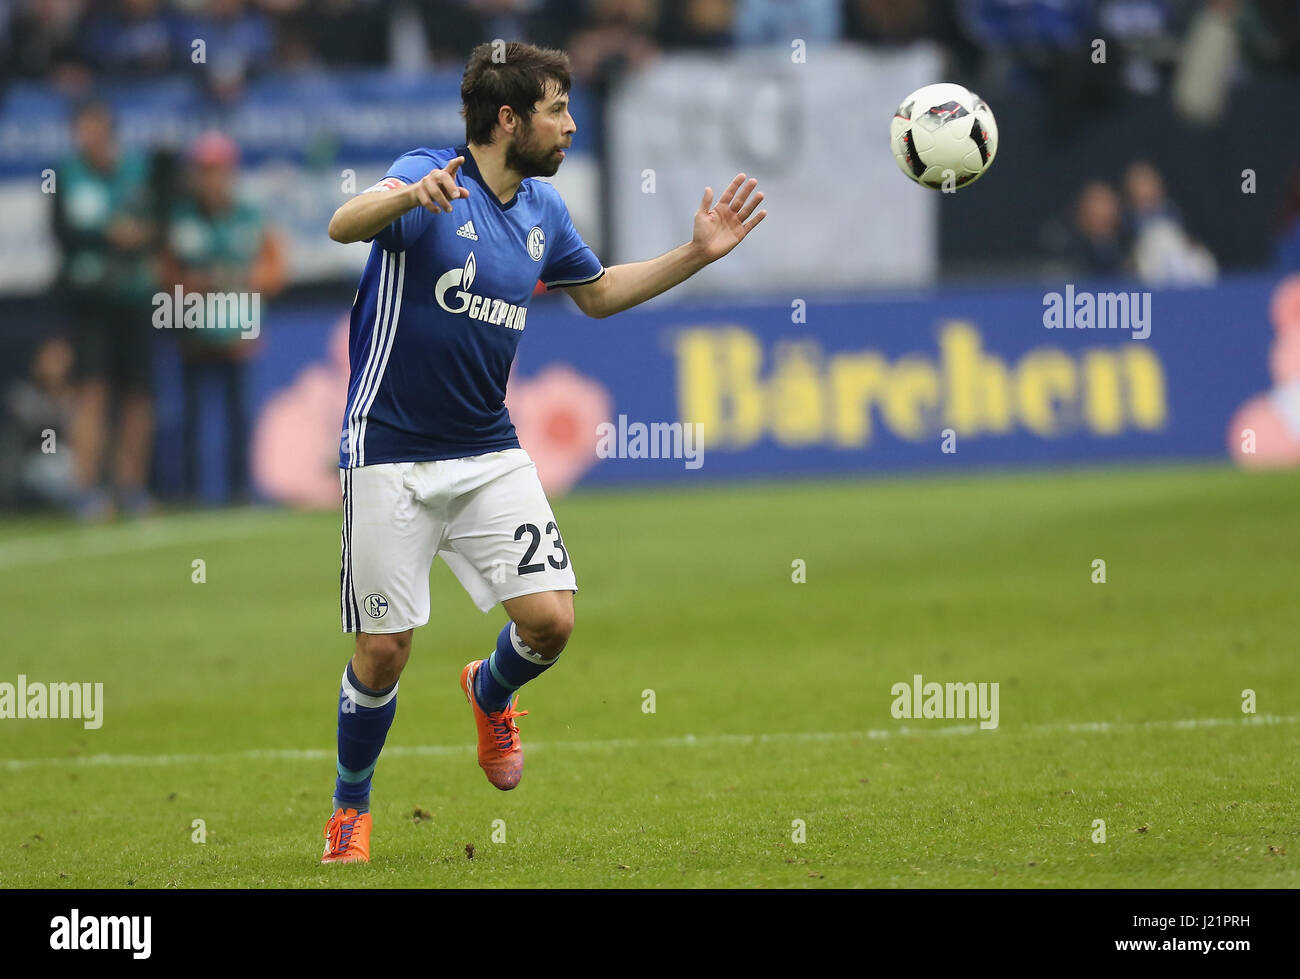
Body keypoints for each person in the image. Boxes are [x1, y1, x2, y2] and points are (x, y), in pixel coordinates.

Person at [321, 40, 766, 864]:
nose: (569, 126)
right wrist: (403, 199)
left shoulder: (542, 212)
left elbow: (596, 296)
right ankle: (351, 808)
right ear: (507, 118)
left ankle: (489, 692)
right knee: (383, 651)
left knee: (552, 621)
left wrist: (697, 254)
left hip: (487, 449)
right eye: (556, 110)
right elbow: (344, 224)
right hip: (388, 451)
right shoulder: (431, 171)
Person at [160, 131, 286, 504]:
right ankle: (189, 492)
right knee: (190, 418)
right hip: (194, 333)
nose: (212, 179)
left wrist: (242, 280)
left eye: (219, 170)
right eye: (205, 171)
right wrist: (196, 285)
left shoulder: (250, 216)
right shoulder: (181, 217)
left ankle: (239, 492)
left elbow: (275, 269)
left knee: (239, 417)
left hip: (237, 335)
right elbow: (165, 274)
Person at [52, 99, 158, 520]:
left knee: (137, 395)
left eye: (94, 126)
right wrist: (108, 236)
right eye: (81, 127)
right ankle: (87, 492)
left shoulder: (137, 171)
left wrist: (140, 235)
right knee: (91, 394)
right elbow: (62, 233)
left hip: (133, 297)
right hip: (89, 300)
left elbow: (160, 221)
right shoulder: (67, 174)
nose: (87, 135)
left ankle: (132, 488)